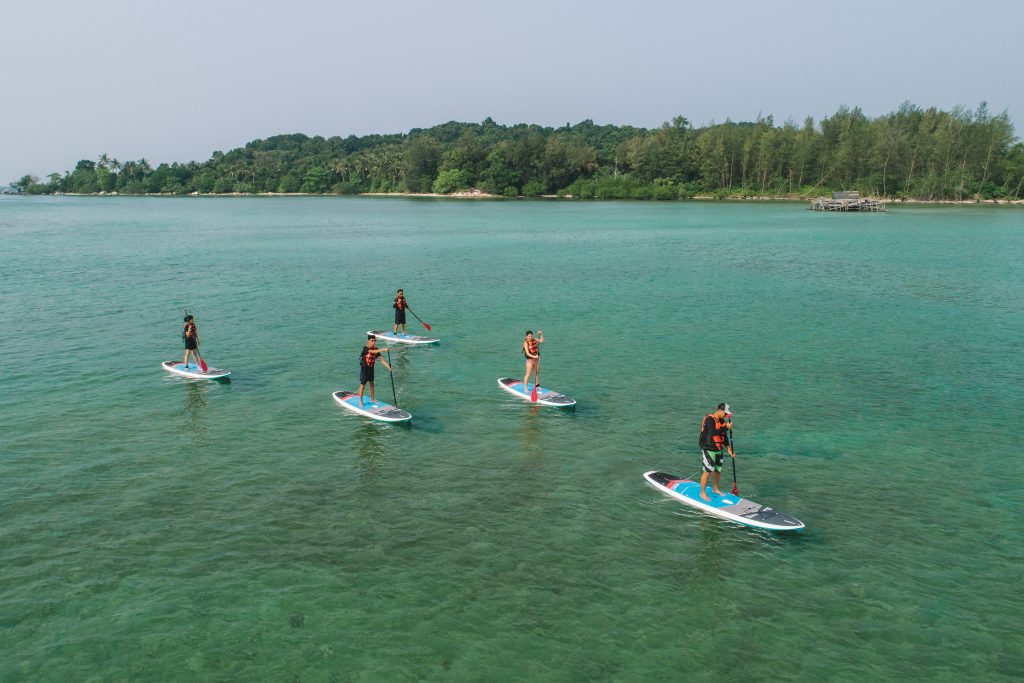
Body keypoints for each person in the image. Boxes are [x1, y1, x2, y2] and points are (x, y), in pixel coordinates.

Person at [699, 403, 734, 501]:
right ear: (719, 410)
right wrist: (726, 427)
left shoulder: (722, 421)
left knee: (718, 470)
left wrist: (728, 448)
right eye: (725, 413)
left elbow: (724, 436)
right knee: (707, 471)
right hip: (708, 448)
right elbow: (713, 432)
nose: (726, 416)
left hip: (718, 449)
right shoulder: (709, 419)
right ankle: (702, 493)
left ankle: (715, 488)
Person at [358, 334, 393, 406]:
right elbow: (371, 352)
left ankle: (372, 399)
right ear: (368, 341)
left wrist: (388, 367)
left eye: (375, 341)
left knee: (372, 383)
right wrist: (383, 349)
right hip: (364, 368)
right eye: (372, 341)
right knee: (363, 385)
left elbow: (382, 360)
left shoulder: (376, 349)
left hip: (371, 368)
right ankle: (360, 401)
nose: (374, 342)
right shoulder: (365, 348)